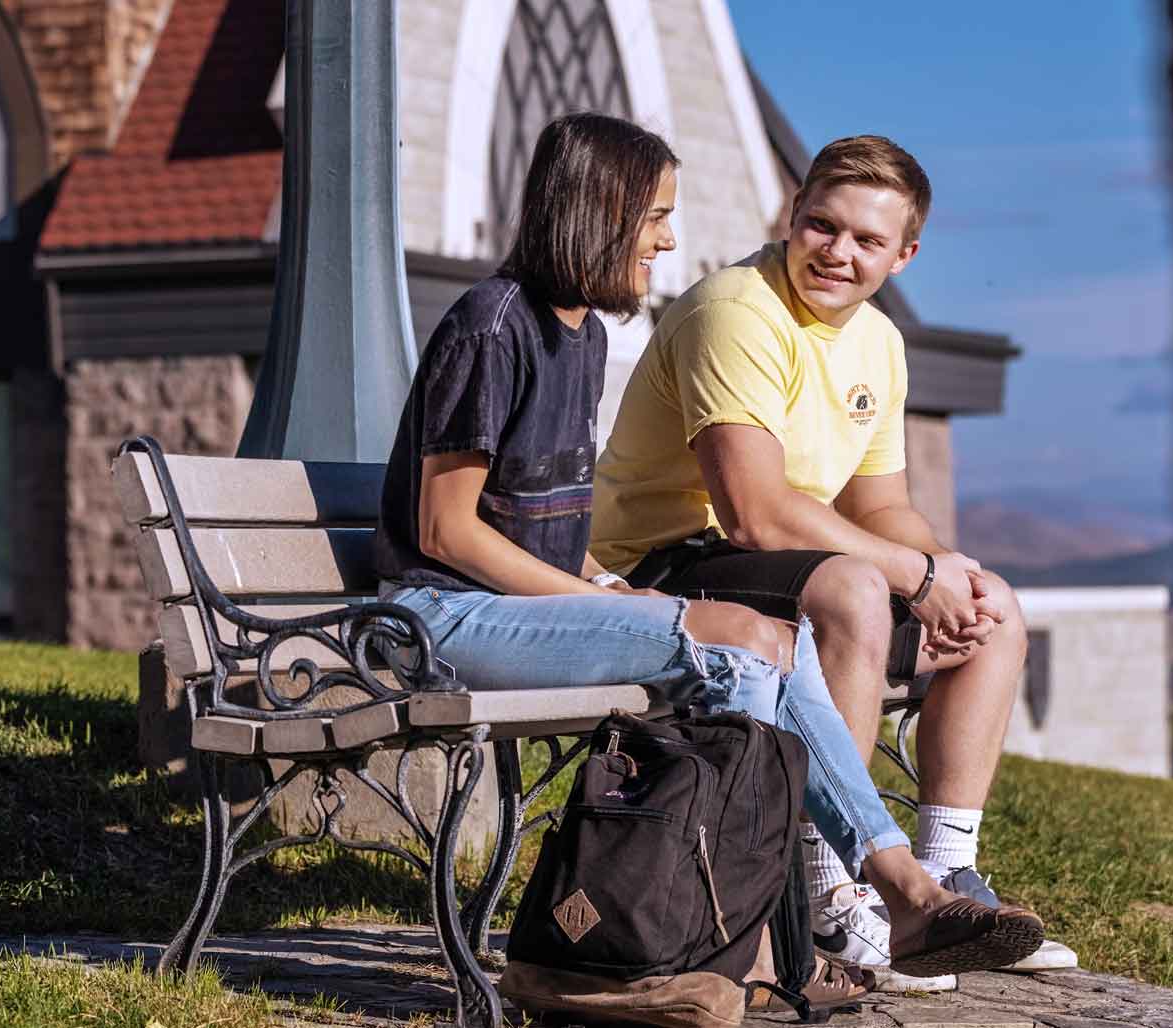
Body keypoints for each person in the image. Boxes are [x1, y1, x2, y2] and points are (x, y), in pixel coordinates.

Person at [370, 113, 1044, 1001]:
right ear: (597, 213)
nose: (668, 237)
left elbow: (541, 527)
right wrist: (628, 606)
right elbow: (447, 533)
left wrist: (596, 584)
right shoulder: (491, 325)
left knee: (770, 648)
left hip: (529, 606)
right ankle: (847, 903)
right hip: (437, 616)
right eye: (654, 215)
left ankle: (837, 912)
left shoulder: (581, 333)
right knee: (740, 638)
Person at [589, 134, 1073, 975]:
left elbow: (880, 506)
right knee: (851, 589)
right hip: (661, 568)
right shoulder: (734, 311)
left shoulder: (878, 343)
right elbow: (755, 515)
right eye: (823, 225)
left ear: (905, 254)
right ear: (793, 214)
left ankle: (943, 877)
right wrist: (911, 577)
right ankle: (829, 895)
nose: (838, 253)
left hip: (785, 566)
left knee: (993, 606)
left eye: (867, 241)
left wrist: (949, 577)